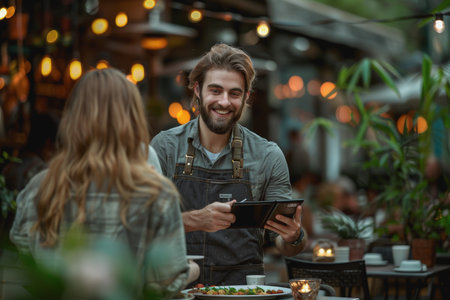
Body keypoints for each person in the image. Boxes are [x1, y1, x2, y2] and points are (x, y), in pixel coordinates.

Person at [9, 68, 199, 298]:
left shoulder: (39, 187)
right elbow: (167, 282)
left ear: (72, 118)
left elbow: (21, 272)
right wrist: (192, 269)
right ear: (132, 119)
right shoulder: (156, 193)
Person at [151, 43, 307, 285]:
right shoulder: (164, 148)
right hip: (178, 289)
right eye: (215, 90)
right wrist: (195, 220)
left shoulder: (268, 155)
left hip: (242, 292)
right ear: (197, 90)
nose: (224, 102)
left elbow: (285, 245)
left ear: (245, 98)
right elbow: (144, 227)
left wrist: (293, 237)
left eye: (234, 93)